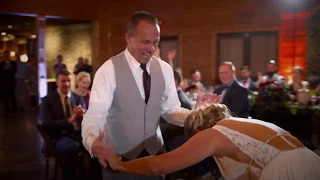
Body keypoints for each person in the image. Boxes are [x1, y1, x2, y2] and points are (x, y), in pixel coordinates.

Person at [81, 11, 220, 180]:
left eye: (156, 42)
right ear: (128, 38)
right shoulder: (108, 70)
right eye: (145, 42)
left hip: (156, 158)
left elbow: (170, 110)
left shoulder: (164, 69)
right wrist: (92, 142)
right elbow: (94, 116)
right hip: (120, 161)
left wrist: (197, 115)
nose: (151, 49)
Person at [105, 103, 320, 180]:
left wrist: (120, 165)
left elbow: (157, 165)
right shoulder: (243, 125)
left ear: (198, 131)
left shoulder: (214, 133)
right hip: (310, 160)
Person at [40, 70, 85, 179]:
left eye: (69, 81)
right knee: (72, 148)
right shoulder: (47, 100)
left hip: (77, 134)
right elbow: (47, 124)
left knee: (97, 145)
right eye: (63, 81)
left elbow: (85, 120)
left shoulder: (78, 98)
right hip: (58, 136)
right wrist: (69, 120)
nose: (66, 84)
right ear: (57, 82)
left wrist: (83, 116)